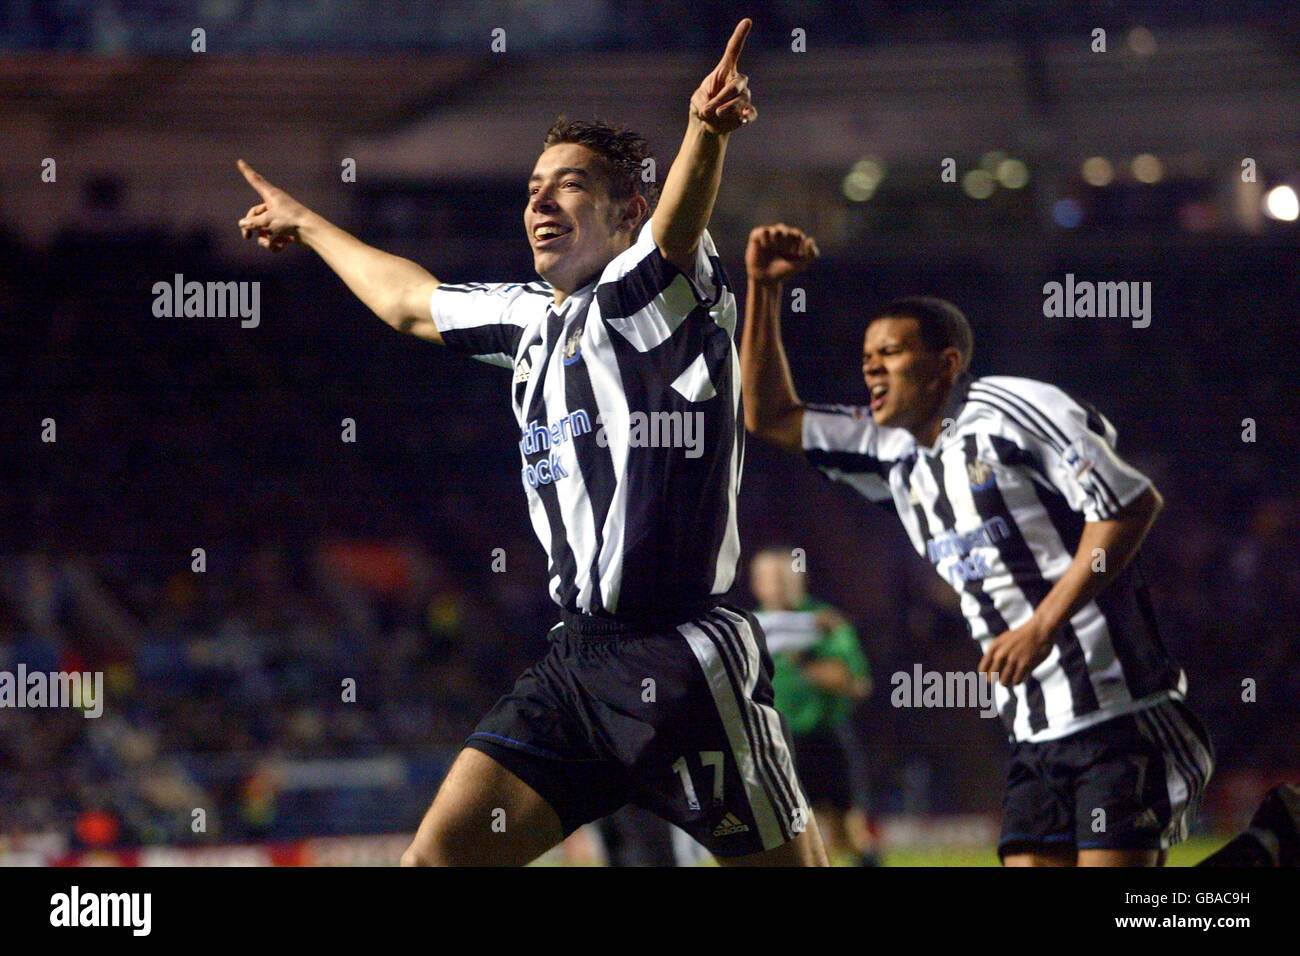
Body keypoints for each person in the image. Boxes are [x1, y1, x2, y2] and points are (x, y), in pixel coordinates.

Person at [235, 21, 825, 867]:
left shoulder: (658, 296)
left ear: (628, 208)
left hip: (686, 658)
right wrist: (312, 226)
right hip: (576, 663)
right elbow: (409, 300)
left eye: (570, 186)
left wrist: (704, 132)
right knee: (435, 861)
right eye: (534, 187)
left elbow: (681, 225)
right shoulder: (527, 320)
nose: (540, 202)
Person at [738, 222, 1214, 867]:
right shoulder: (890, 450)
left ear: (946, 364)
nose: (871, 366)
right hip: (1031, 730)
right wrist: (763, 292)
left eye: (892, 352)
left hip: (1119, 709)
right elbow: (769, 415)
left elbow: (1131, 504)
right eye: (866, 356)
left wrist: (1043, 624)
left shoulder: (1009, 409)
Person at [749, 547, 881, 865]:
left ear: (801, 579)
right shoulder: (748, 627)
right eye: (772, 578)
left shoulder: (826, 622)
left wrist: (805, 660)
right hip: (771, 743)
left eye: (786, 577)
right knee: (779, 835)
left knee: (848, 831)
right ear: (756, 584)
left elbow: (857, 683)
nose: (780, 586)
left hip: (824, 738)